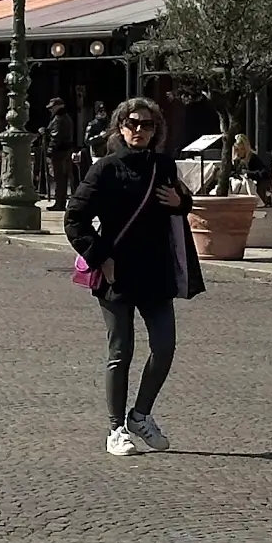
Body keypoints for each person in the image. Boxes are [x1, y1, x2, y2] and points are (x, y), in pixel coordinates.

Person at [64, 96, 200, 457]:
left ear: (157, 131)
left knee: (164, 348)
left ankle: (140, 415)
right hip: (116, 273)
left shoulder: (164, 165)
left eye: (147, 125)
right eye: (132, 124)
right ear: (120, 128)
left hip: (156, 271)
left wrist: (181, 203)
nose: (139, 130)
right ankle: (116, 428)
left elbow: (181, 202)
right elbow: (74, 217)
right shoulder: (105, 169)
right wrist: (100, 257)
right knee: (120, 351)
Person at [42, 98, 77, 209]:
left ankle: (59, 202)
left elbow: (56, 137)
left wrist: (50, 150)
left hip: (60, 152)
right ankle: (60, 201)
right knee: (62, 177)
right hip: (65, 151)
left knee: (59, 177)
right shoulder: (65, 118)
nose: (51, 110)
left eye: (53, 107)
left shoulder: (59, 119)